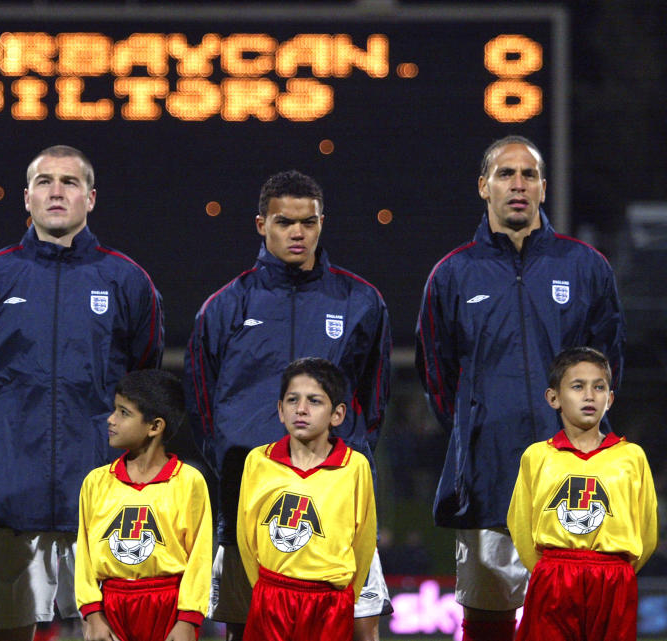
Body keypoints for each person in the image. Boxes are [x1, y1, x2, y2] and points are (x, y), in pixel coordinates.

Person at [415, 136, 626, 641]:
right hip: (488, 479)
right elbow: (436, 374)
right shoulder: (452, 274)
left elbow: (609, 365)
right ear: (483, 186)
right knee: (488, 625)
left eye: (528, 175)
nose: (518, 185)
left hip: (573, 482)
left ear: (544, 189)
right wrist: (476, 429)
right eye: (506, 174)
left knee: (574, 624)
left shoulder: (586, 267)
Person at [0, 145, 164, 641]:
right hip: (7, 487)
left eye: (69, 182)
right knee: (4, 630)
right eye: (44, 181)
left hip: (99, 485)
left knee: (109, 629)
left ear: (91, 198)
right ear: (26, 198)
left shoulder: (127, 280)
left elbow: (144, 375)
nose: (56, 191)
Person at [184, 170, 390, 640]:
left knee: (359, 627)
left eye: (308, 222)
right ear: (261, 225)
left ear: (321, 223)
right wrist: (233, 462)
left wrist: (347, 457)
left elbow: (373, 398)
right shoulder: (225, 307)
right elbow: (201, 401)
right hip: (248, 498)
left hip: (336, 501)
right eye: (284, 222)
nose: (297, 233)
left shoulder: (362, 302)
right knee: (246, 626)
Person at [506, 347, 657, 641]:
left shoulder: (631, 456)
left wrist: (618, 570)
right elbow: (521, 525)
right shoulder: (537, 456)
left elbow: (647, 530)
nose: (590, 395)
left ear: (609, 399)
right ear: (554, 398)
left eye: (599, 387)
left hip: (613, 577)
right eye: (578, 386)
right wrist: (547, 570)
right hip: (553, 576)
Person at [236, 357, 376, 641]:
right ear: (280, 409)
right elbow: (246, 536)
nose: (301, 410)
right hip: (271, 597)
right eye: (292, 400)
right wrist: (265, 589)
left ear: (336, 414)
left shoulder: (354, 466)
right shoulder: (258, 461)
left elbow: (363, 541)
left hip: (330, 603)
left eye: (314, 401)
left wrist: (346, 595)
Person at [75, 369, 211, 641]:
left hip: (168, 608)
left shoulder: (189, 481)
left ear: (155, 426)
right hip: (110, 608)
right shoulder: (96, 482)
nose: (111, 420)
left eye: (123, 413)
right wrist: (92, 614)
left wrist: (188, 619)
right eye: (114, 410)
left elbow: (200, 556)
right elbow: (84, 558)